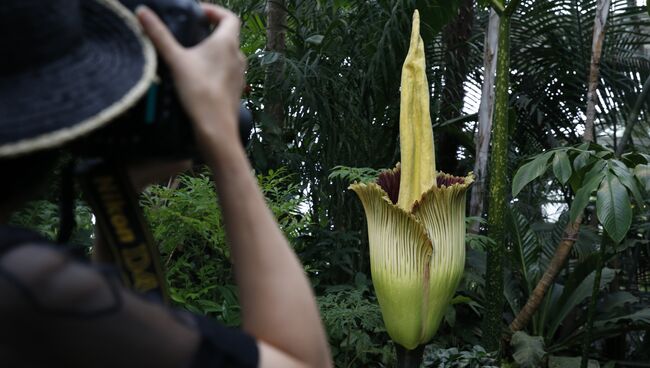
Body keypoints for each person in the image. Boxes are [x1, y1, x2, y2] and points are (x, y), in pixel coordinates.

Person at [0, 0, 333, 367]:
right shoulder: (23, 286)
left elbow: (116, 348)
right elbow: (304, 361)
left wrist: (119, 191)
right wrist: (222, 141)